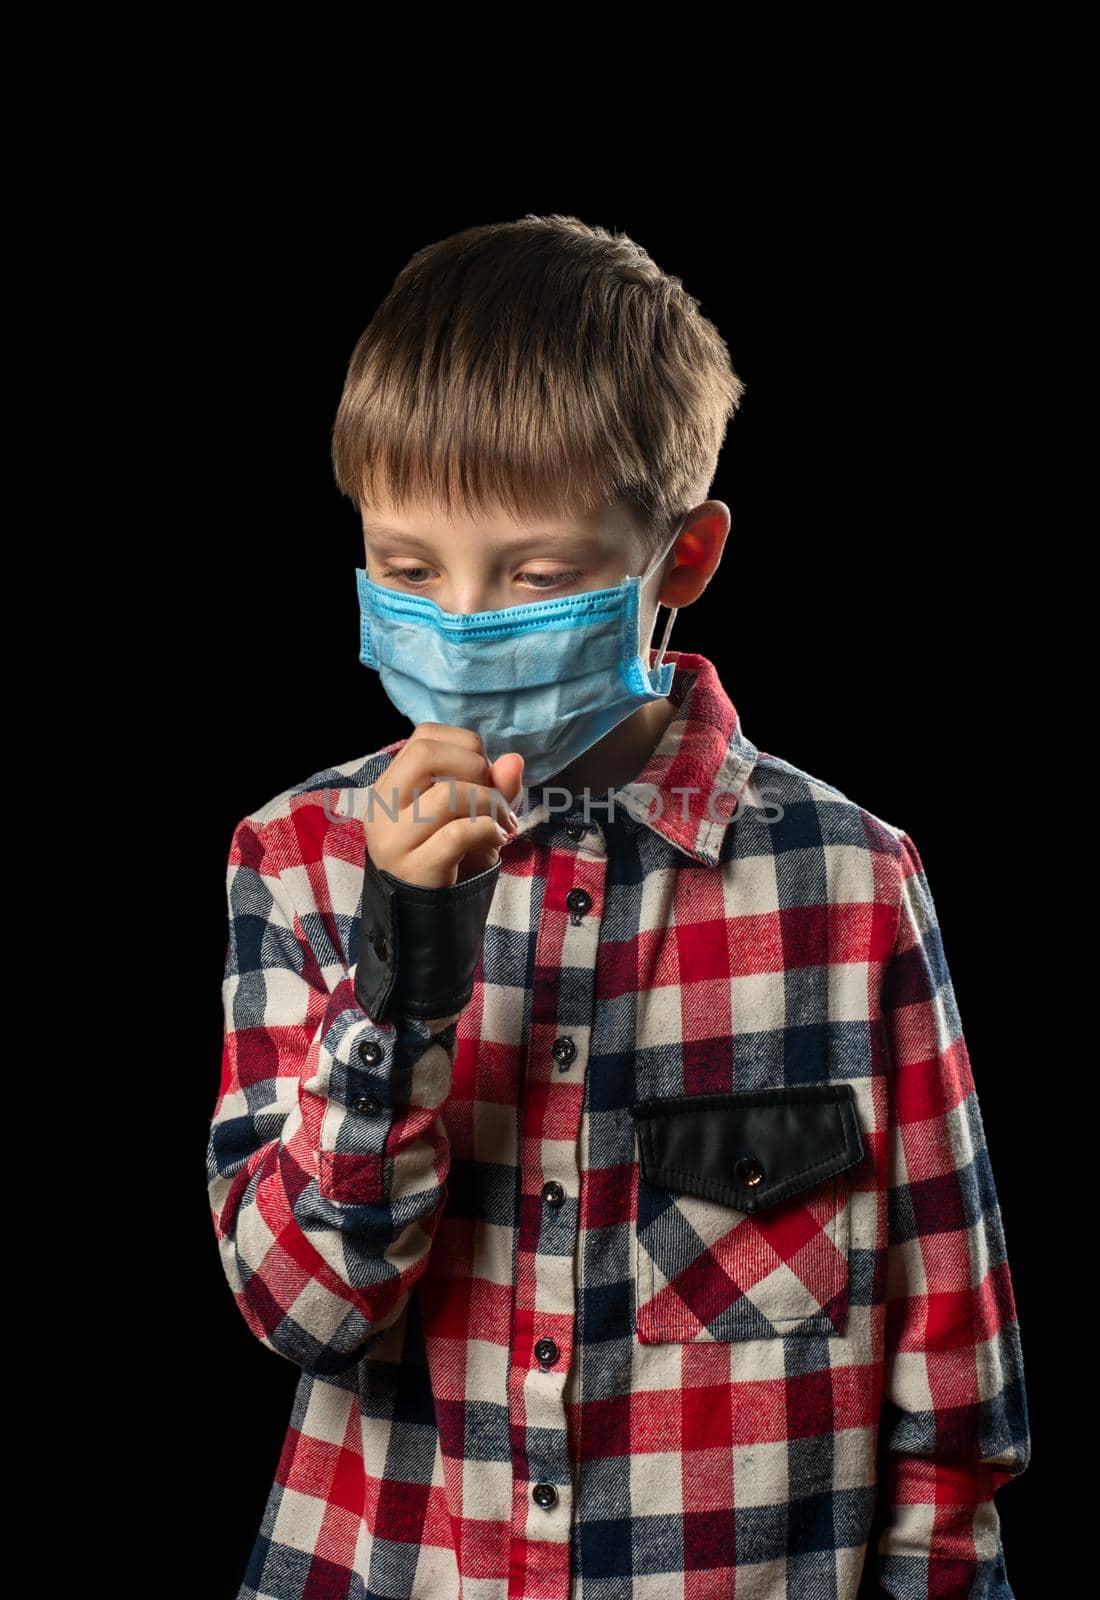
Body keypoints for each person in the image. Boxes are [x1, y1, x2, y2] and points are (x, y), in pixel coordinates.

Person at [206, 214, 1031, 1600]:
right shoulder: (296, 851)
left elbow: (951, 1391)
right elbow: (305, 1312)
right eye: (409, 570)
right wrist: (399, 978)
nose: (463, 623)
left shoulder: (853, 883)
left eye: (535, 577)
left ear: (685, 560)